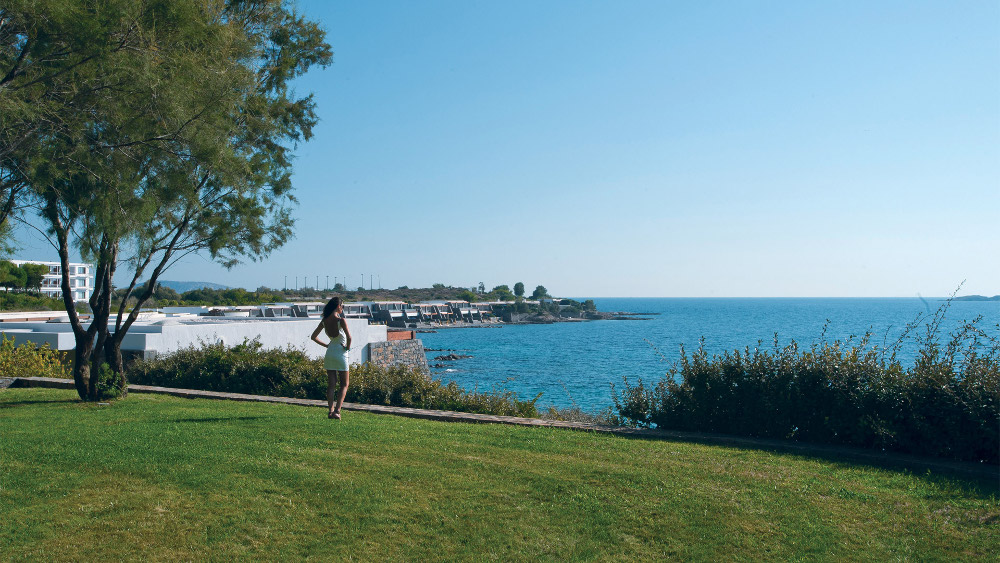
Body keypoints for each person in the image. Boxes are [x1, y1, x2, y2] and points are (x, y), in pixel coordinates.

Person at [310, 297, 352, 419]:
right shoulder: (341, 320)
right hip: (341, 353)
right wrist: (347, 348)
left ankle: (330, 411)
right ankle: (337, 411)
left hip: (330, 353)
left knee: (331, 385)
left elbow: (313, 337)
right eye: (342, 306)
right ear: (338, 306)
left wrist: (326, 345)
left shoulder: (324, 321)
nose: (342, 308)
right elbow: (349, 338)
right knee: (344, 384)